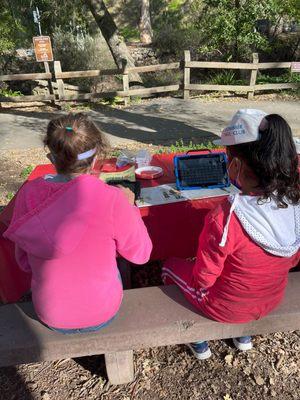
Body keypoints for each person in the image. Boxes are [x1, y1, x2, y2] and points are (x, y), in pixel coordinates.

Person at [162, 109, 300, 359]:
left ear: (235, 165)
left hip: (226, 307)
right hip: (270, 300)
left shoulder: (225, 216)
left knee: (169, 267)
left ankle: (199, 339)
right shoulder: (293, 204)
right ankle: (243, 336)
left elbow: (204, 278)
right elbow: (292, 259)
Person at [4, 113, 152, 333]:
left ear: (51, 158)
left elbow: (24, 262)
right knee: (118, 264)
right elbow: (141, 254)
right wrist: (129, 206)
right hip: (102, 312)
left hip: (50, 313)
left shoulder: (28, 194)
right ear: (95, 159)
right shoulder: (111, 198)